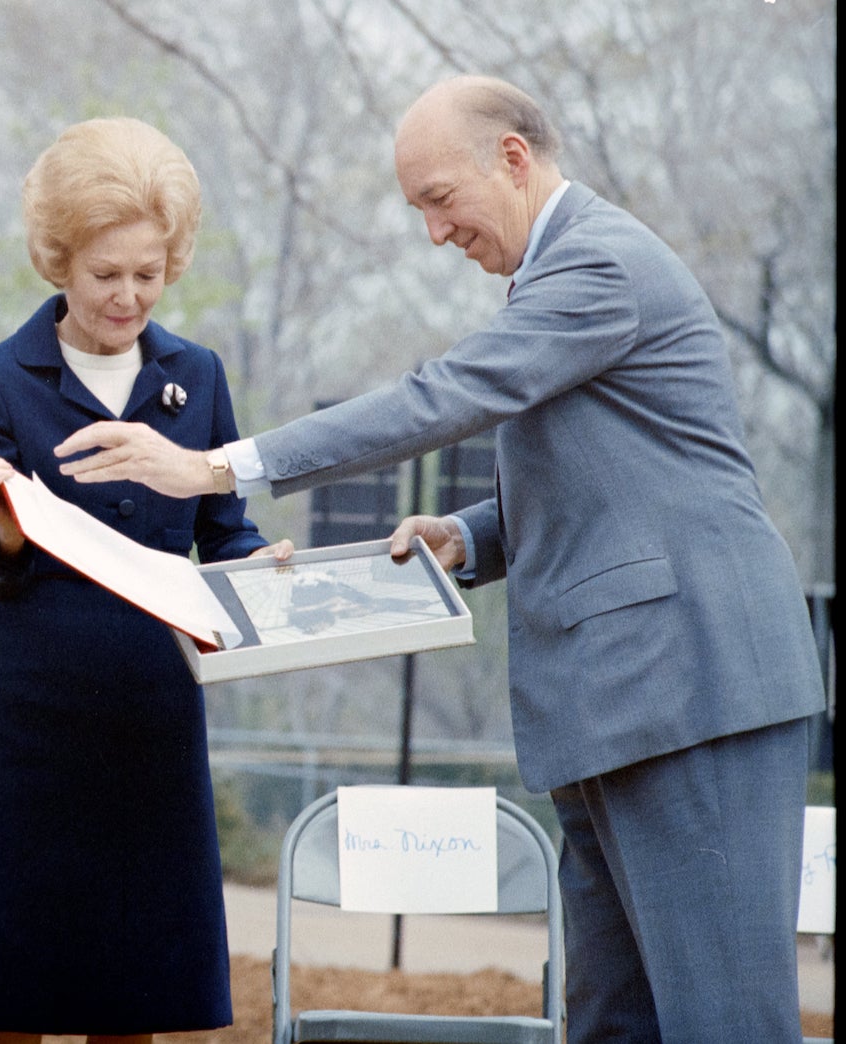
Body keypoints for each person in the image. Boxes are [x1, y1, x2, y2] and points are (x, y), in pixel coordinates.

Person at [55, 76, 825, 1043]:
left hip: (690, 692)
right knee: (609, 1026)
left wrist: (217, 468)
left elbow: (444, 395)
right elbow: (620, 486)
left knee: (724, 1026)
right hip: (617, 708)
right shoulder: (556, 278)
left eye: (437, 199)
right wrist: (472, 534)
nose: (433, 231)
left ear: (511, 157)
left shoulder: (600, 265)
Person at [0, 117, 291, 1044]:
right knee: (15, 984)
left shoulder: (197, 375)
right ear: (58, 261)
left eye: (149, 272)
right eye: (106, 275)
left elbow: (224, 527)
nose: (129, 296)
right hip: (31, 717)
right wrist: (4, 529)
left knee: (133, 989)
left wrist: (263, 571)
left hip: (153, 711)